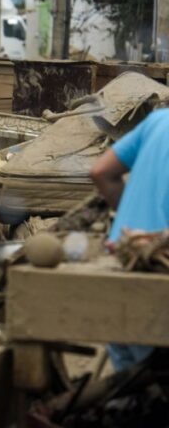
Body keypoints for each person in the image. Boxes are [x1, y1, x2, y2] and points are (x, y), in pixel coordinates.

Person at [89, 108, 169, 371]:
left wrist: (131, 220)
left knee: (126, 390)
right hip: (157, 276)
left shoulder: (159, 120)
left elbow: (101, 171)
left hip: (120, 262)